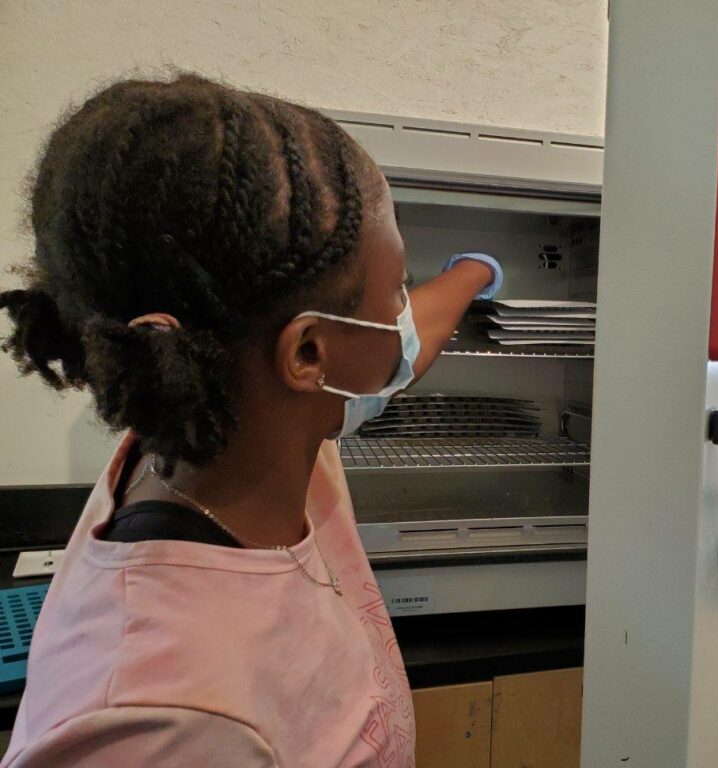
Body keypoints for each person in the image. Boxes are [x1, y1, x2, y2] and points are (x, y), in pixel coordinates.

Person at [0, 73, 502, 767]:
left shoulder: (237, 427)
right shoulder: (158, 720)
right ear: (307, 352)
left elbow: (399, 352)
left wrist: (476, 271)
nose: (404, 315)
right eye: (395, 289)